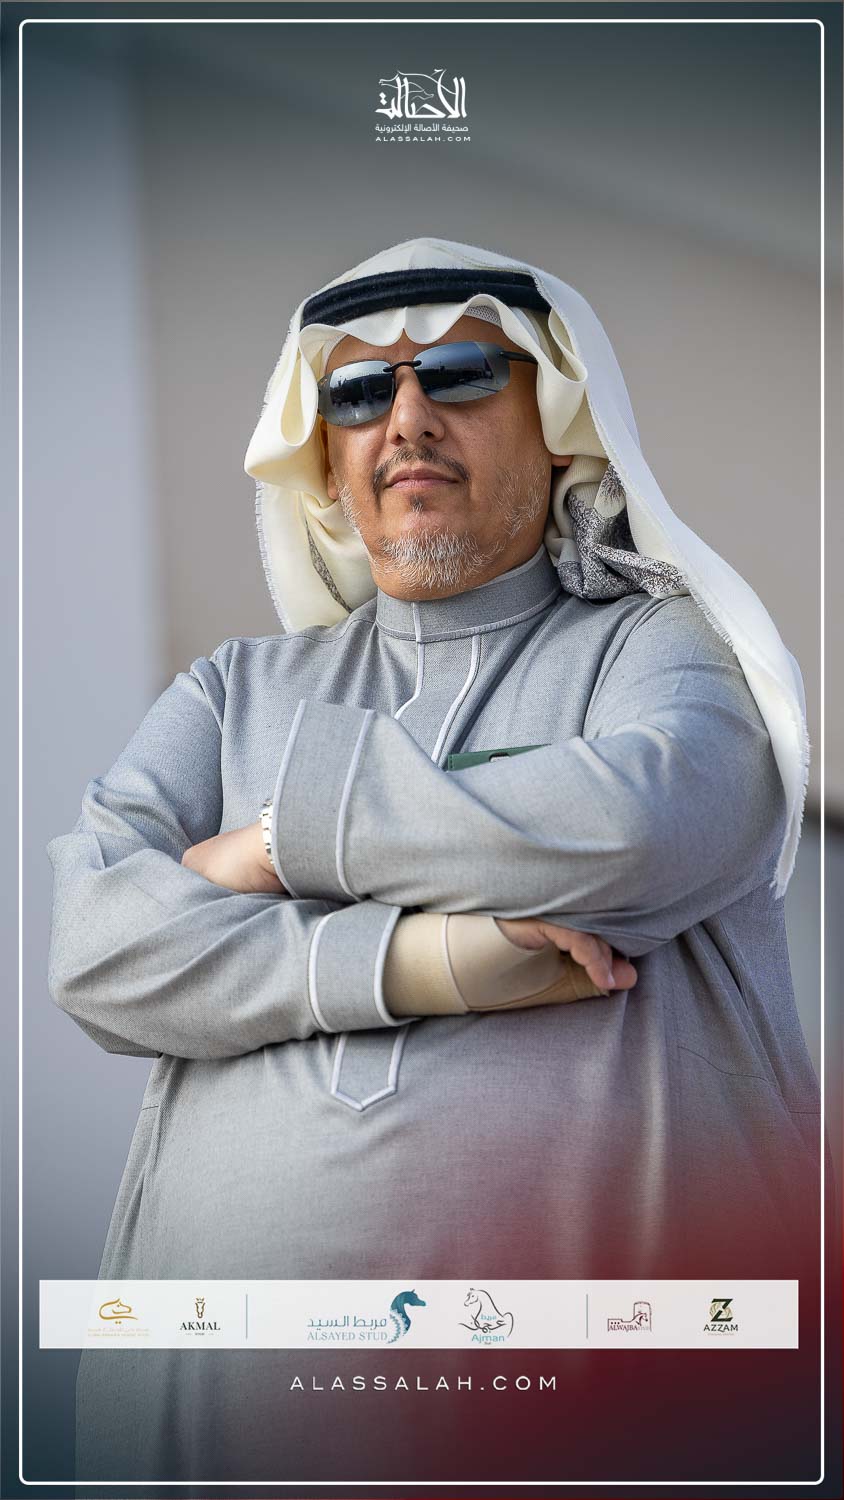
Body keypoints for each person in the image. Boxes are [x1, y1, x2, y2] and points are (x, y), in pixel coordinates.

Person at [46, 236, 824, 1489]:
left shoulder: (658, 650)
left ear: (558, 423)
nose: (405, 419)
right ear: (326, 455)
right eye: (359, 394)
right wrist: (428, 962)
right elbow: (96, 948)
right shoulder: (232, 692)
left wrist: (270, 844)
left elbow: (643, 824)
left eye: (459, 375)